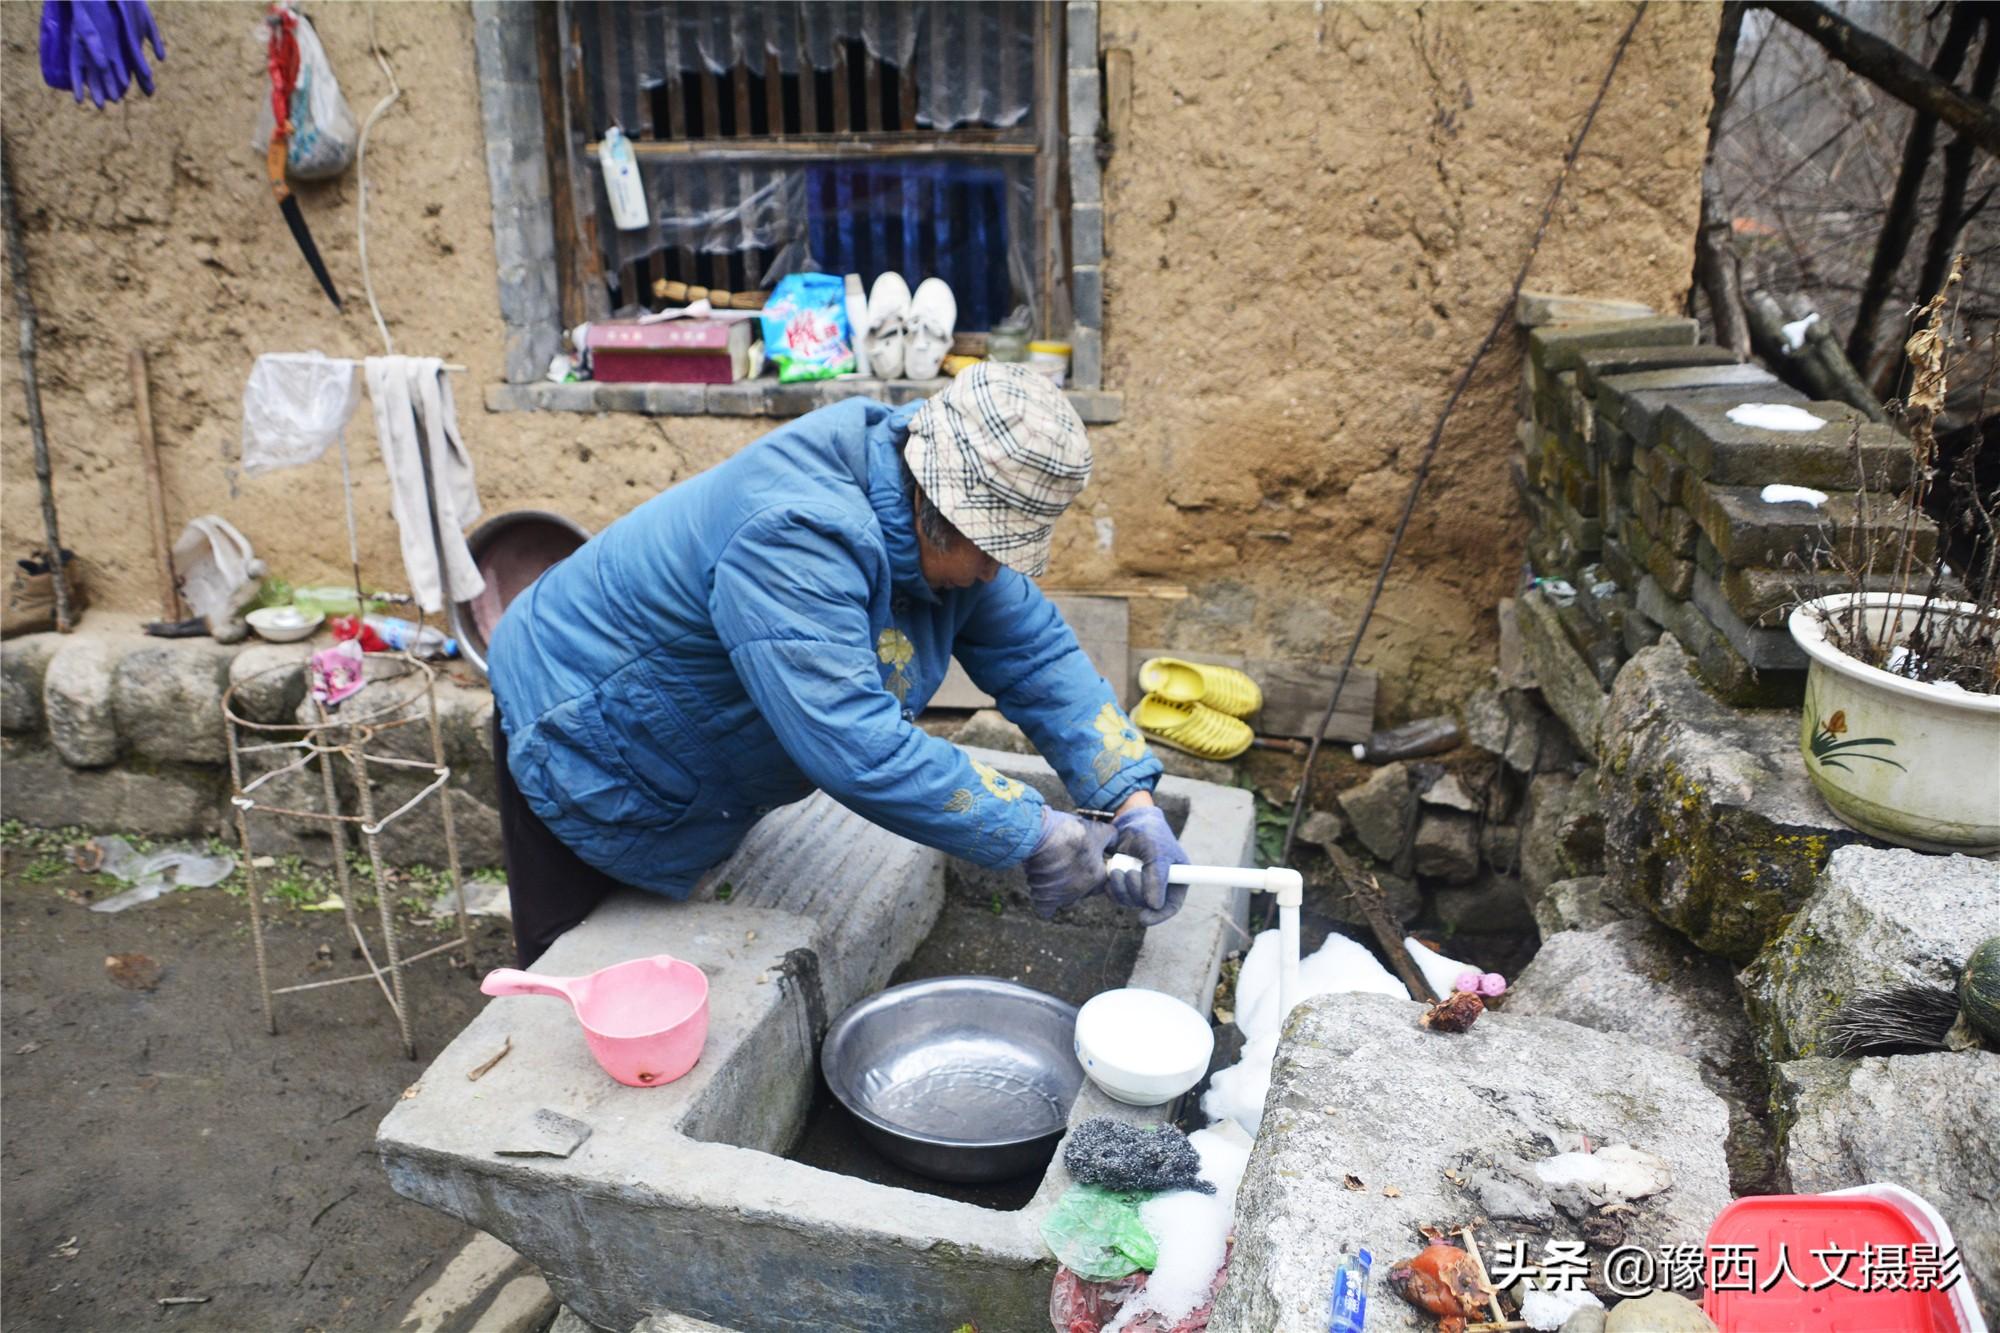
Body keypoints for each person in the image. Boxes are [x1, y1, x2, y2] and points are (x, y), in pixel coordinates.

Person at [487, 363, 1189, 966]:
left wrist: (1132, 797)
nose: (991, 573)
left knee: (659, 958)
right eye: (990, 548)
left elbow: (1037, 657)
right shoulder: (794, 534)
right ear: (936, 504)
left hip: (679, 733)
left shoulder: (941, 516)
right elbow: (852, 739)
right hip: (578, 717)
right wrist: (1032, 828)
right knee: (572, 984)